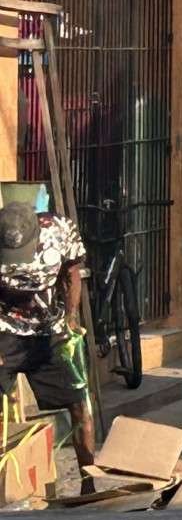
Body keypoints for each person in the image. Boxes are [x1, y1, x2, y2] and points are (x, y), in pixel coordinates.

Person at [0, 185, 95, 467]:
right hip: (4, 327)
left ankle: (89, 479)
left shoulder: (59, 232)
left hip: (49, 330)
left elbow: (72, 275)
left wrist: (71, 319)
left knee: (78, 403)